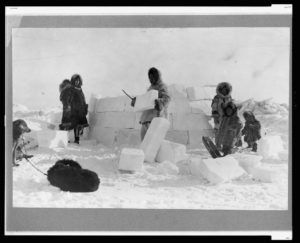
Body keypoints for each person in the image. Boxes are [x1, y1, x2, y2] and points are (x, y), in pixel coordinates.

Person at [131, 67, 171, 141]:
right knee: (144, 143)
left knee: (153, 144)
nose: (150, 79)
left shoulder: (162, 86)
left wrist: (160, 103)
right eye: (149, 77)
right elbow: (146, 102)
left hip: (155, 120)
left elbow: (167, 99)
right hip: (145, 120)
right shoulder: (150, 88)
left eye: (152, 77)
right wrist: (136, 102)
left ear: (157, 76)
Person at [211, 82, 233, 148]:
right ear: (220, 90)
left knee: (226, 131)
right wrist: (215, 112)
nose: (224, 91)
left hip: (227, 117)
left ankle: (224, 145)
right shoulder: (217, 97)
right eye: (223, 90)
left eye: (225, 90)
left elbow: (231, 106)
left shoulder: (229, 98)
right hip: (218, 117)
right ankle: (218, 145)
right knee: (218, 131)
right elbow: (214, 105)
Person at [69, 74, 89, 144]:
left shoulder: (80, 88)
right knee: (76, 125)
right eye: (75, 80)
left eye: (78, 80)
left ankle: (79, 134)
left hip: (81, 110)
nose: (76, 82)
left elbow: (83, 99)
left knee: (81, 125)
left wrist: (85, 107)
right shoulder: (71, 89)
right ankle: (76, 139)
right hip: (74, 110)